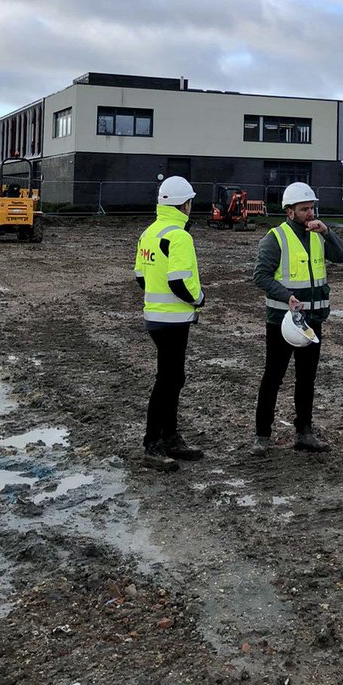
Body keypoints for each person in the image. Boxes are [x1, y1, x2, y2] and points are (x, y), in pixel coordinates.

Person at [251, 182, 343, 455]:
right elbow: (260, 276)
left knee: (307, 379)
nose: (310, 213)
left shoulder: (318, 234)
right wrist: (286, 296)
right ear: (289, 211)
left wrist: (328, 232)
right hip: (282, 322)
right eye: (304, 209)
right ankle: (262, 435)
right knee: (273, 377)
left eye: (312, 208)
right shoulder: (276, 238)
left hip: (312, 320)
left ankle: (304, 433)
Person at [134, 176, 206, 467]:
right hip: (174, 319)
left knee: (172, 378)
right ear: (185, 204)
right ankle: (154, 443)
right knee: (167, 380)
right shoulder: (179, 236)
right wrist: (198, 298)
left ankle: (170, 436)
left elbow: (140, 277)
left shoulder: (149, 233)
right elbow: (179, 281)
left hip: (155, 317)